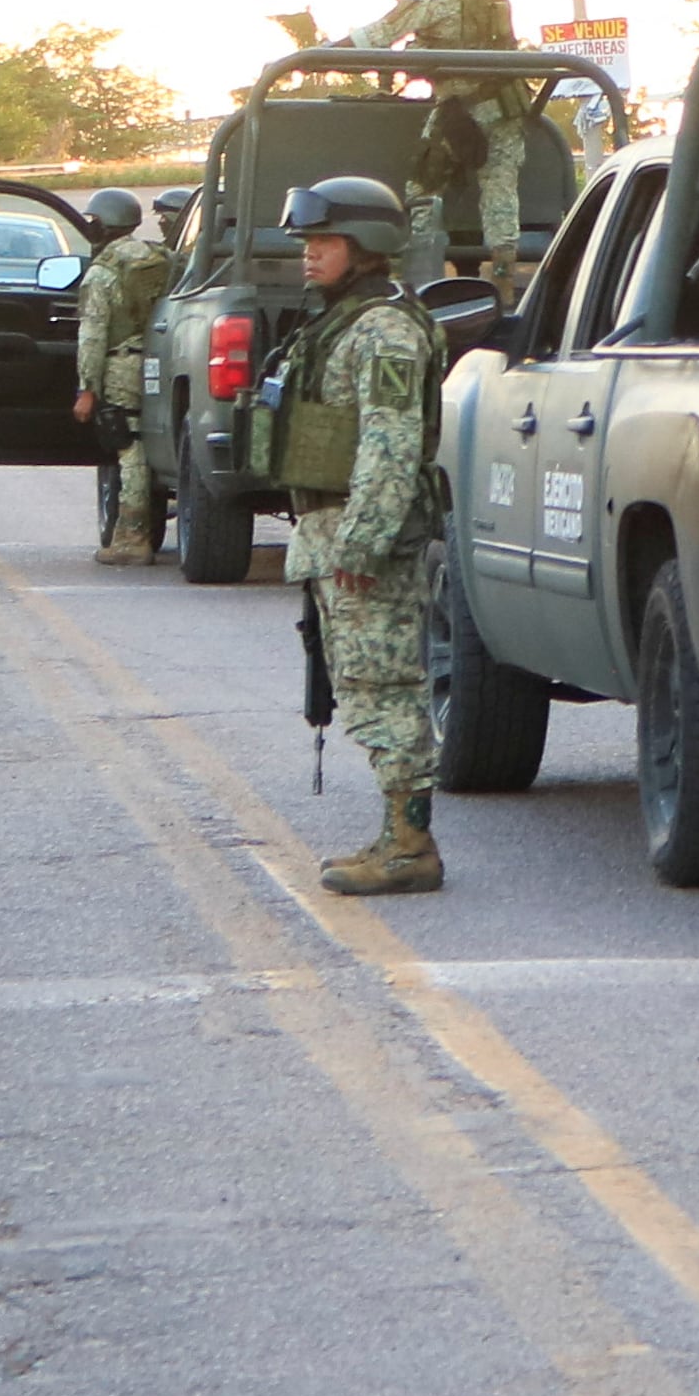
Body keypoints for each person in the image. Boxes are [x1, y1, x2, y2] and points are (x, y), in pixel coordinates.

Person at [264, 175, 451, 894]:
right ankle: (397, 835)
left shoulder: (384, 331)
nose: (309, 256)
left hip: (363, 532)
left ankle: (409, 845)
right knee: (361, 680)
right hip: (334, 525)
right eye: (308, 243)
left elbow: (391, 442)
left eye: (325, 243)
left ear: (365, 247)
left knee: (384, 685)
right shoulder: (343, 321)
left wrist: (363, 542)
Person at [281, 0, 535, 284]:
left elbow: (377, 36)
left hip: (459, 110)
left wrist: (316, 58)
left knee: (422, 192)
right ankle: (504, 283)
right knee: (501, 199)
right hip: (506, 107)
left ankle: (422, 281)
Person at [68, 186, 178, 567]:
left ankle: (132, 536)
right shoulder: (160, 258)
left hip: (122, 366)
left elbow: (93, 334)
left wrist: (87, 389)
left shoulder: (103, 272)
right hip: (164, 359)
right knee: (152, 442)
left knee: (129, 448)